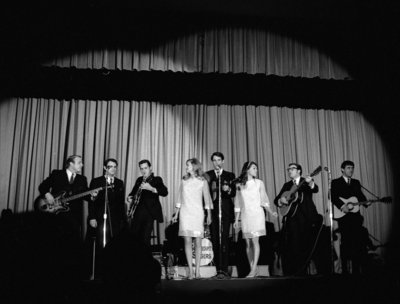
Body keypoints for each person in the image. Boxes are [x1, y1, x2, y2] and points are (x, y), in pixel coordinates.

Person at [274, 163, 320, 275]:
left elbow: (315, 189)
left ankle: (303, 273)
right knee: (292, 247)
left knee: (304, 247)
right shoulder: (287, 185)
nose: (289, 171)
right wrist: (281, 201)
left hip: (306, 218)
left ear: (299, 171)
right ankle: (292, 273)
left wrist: (311, 182)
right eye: (288, 169)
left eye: (292, 169)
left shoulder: (305, 181)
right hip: (291, 219)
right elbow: (276, 200)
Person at [233, 161, 277, 278]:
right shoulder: (239, 185)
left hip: (257, 214)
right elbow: (238, 203)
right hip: (246, 215)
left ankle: (253, 270)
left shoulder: (259, 183)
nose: (256, 170)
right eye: (253, 168)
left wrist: (271, 211)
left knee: (255, 241)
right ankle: (253, 268)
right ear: (247, 169)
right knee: (247, 243)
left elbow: (264, 200)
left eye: (256, 168)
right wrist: (236, 220)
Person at [172, 158, 212, 279]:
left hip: (197, 213)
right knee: (187, 241)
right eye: (186, 166)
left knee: (198, 241)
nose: (186, 167)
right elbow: (179, 198)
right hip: (185, 213)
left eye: (188, 165)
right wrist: (176, 214)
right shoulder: (184, 181)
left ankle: (198, 271)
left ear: (194, 166)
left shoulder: (202, 181)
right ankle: (190, 270)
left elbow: (207, 198)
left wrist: (209, 214)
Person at [87, 158, 126, 277]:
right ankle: (99, 272)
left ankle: (113, 272)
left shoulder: (119, 182)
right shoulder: (96, 181)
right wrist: (92, 217)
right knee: (100, 243)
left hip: (115, 218)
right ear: (105, 168)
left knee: (114, 244)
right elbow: (91, 201)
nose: (113, 169)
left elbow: (120, 202)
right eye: (110, 166)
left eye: (115, 166)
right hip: (99, 217)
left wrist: (123, 219)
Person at [38, 155, 88, 240]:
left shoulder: (82, 179)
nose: (82, 165)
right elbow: (42, 186)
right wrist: (47, 194)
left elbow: (86, 196)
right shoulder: (57, 174)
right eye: (79, 163)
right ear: (71, 164)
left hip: (75, 217)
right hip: (56, 214)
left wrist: (93, 196)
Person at [331, 160, 369, 274]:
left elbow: (360, 196)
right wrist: (342, 206)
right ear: (342, 169)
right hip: (343, 217)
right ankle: (345, 270)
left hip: (355, 217)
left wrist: (367, 202)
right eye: (348, 168)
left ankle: (356, 270)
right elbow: (333, 196)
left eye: (352, 168)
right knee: (346, 242)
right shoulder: (335, 182)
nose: (351, 170)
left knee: (357, 242)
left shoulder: (356, 182)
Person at [204, 152, 236, 278]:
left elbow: (233, 193)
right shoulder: (208, 175)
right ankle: (218, 270)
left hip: (226, 212)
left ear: (222, 161)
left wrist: (228, 189)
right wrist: (207, 213)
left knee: (224, 241)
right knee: (215, 241)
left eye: (219, 160)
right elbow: (204, 195)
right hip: (212, 212)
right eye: (214, 160)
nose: (216, 162)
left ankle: (225, 269)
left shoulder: (229, 175)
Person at [127, 160, 168, 247]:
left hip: (149, 213)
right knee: (134, 237)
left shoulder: (157, 179)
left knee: (145, 239)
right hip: (137, 212)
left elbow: (165, 192)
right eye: (141, 169)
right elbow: (132, 193)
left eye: (145, 168)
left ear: (150, 168)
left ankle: (145, 259)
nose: (143, 170)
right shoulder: (139, 180)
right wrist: (129, 197)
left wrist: (151, 188)